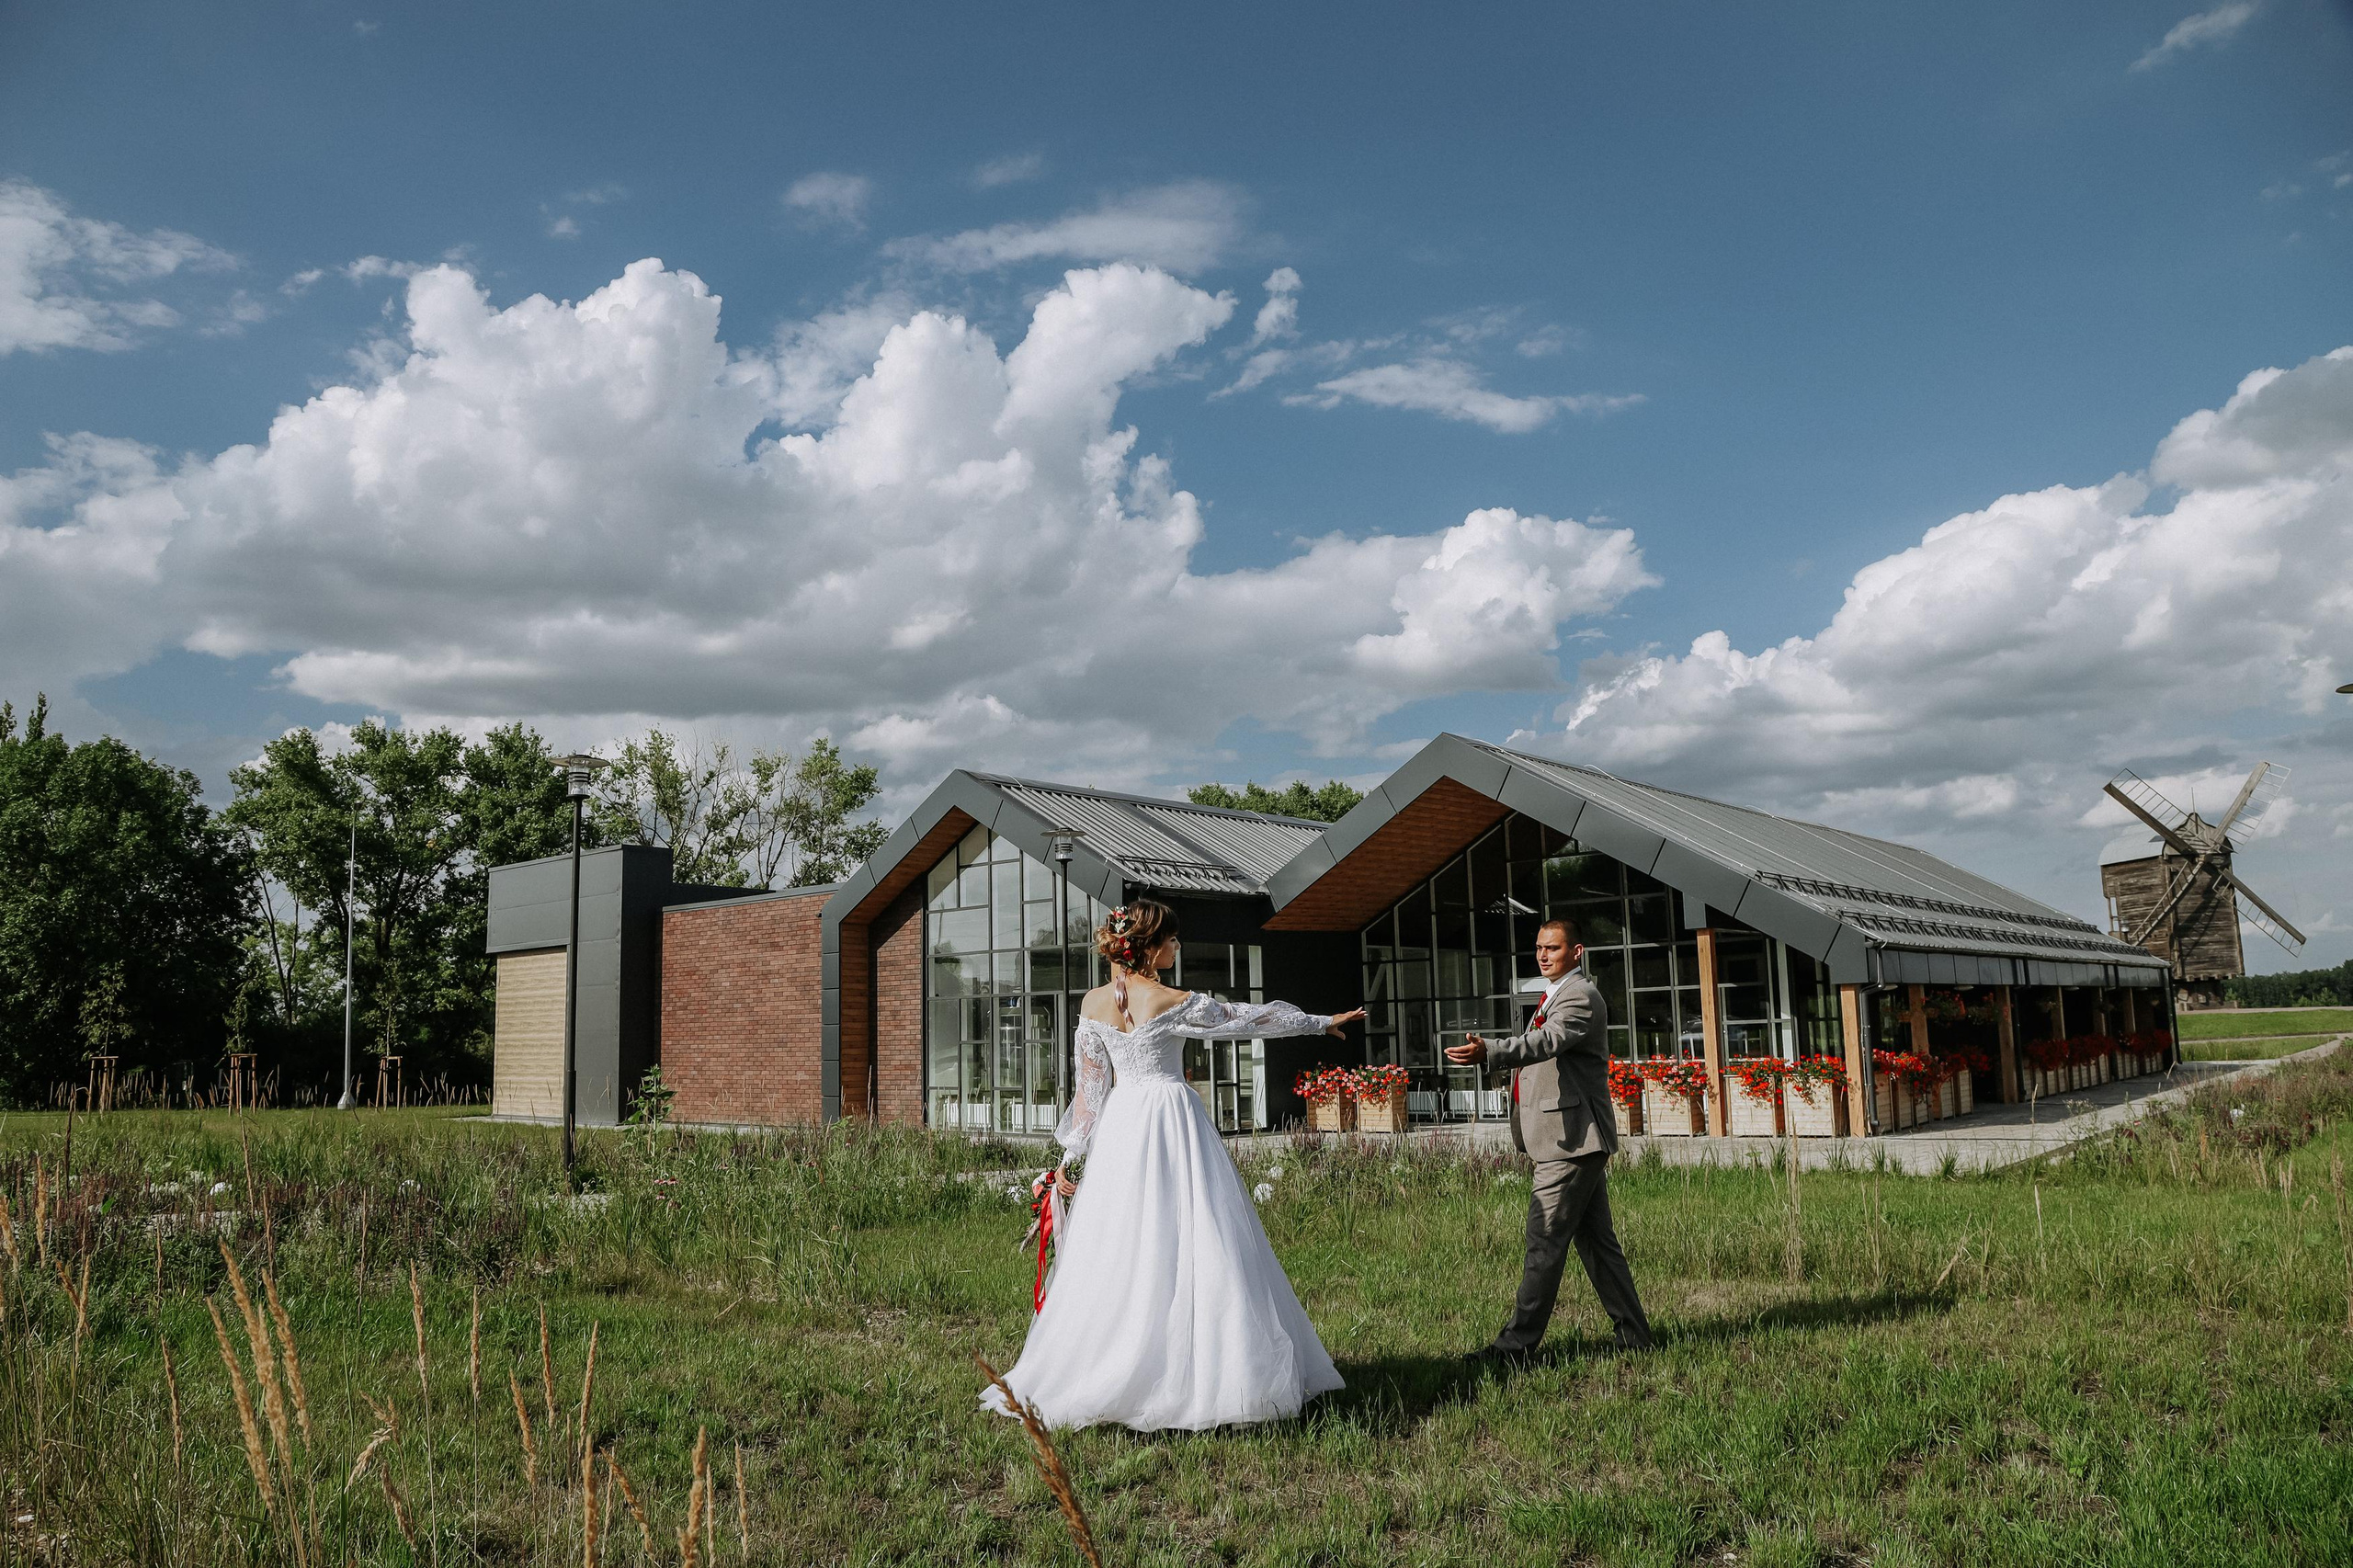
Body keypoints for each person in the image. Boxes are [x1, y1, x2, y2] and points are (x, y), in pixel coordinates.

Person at [981, 897, 1367, 1431]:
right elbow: (1246, 1019)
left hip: (1121, 1127)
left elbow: (1090, 1093)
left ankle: (1109, 1363)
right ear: (1151, 946)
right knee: (1196, 1233)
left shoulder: (1092, 1005)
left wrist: (1072, 1157)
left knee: (1123, 1243)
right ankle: (1205, 1377)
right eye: (1173, 940)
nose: (1178, 947)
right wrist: (1319, 1023)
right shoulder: (1171, 999)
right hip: (1170, 1120)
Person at [1446, 916, 1654, 1361]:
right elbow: (1540, 1050)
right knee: (1598, 1245)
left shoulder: (1579, 995)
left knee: (1543, 1242)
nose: (1542, 955)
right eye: (1539, 947)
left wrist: (1493, 1050)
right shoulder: (1554, 995)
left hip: (1571, 1142)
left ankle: (1516, 1347)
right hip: (1574, 1139)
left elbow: (1547, 1042)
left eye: (1553, 948)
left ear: (1576, 952)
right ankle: (1636, 1335)